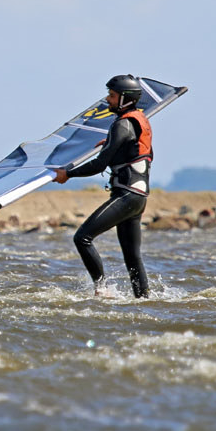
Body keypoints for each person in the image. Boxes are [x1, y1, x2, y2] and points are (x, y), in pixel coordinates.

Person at [53, 75, 153, 298]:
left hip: (126, 196)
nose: (107, 99)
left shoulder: (123, 124)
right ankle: (144, 299)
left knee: (82, 238)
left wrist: (67, 174)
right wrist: (112, 144)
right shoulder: (137, 121)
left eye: (112, 95)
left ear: (125, 99)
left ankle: (102, 288)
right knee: (132, 256)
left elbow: (99, 163)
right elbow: (135, 151)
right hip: (138, 198)